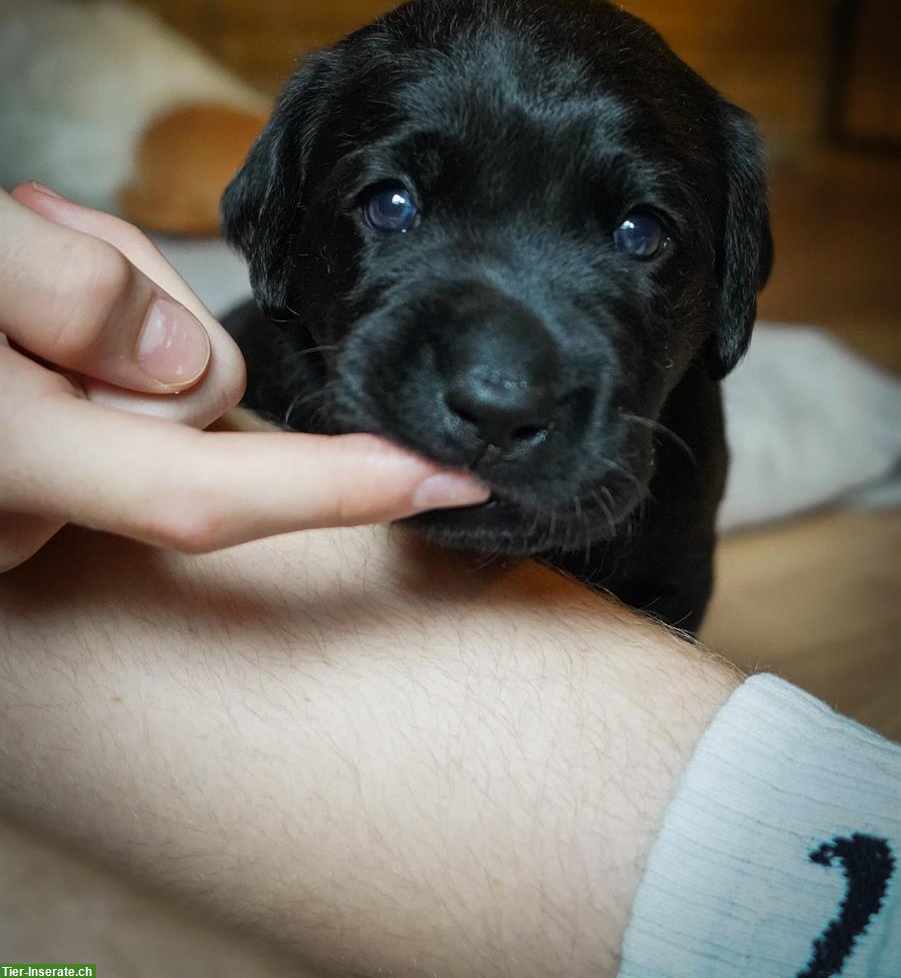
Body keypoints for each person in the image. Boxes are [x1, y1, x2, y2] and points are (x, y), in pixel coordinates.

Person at [0, 182, 897, 977]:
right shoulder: (255, 360)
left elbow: (668, 605)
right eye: (391, 208)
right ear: (272, 240)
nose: (499, 386)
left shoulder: (684, 446)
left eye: (637, 231)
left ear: (731, 290)